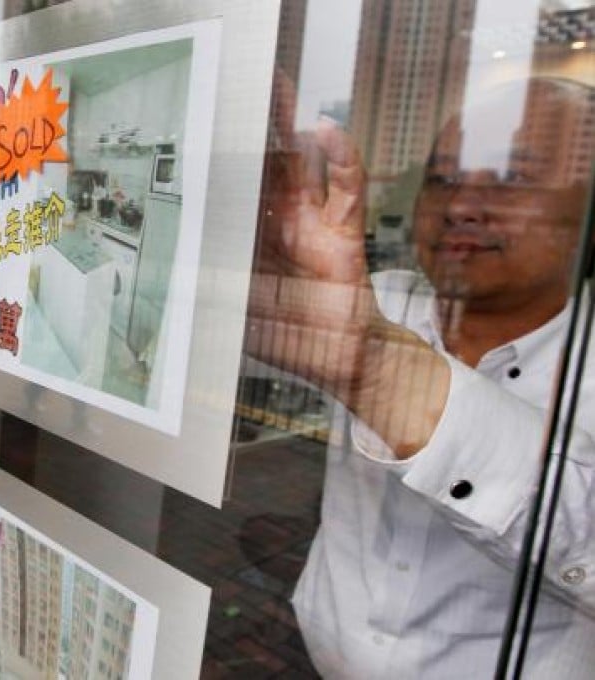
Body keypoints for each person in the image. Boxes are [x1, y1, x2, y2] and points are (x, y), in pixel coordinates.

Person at [250, 76, 595, 678]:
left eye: (511, 177)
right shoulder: (374, 300)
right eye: (443, 179)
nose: (460, 206)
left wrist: (380, 370)